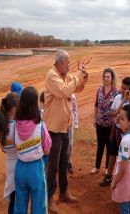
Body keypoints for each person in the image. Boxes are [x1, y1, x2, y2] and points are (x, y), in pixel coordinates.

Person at [44, 49, 88, 213]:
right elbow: (64, 91)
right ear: (61, 62)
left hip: (65, 127)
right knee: (52, 165)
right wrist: (77, 75)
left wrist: (83, 75)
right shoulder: (52, 75)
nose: (69, 65)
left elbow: (77, 88)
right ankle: (49, 199)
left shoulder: (65, 75)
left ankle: (63, 192)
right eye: (68, 62)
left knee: (64, 162)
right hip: (54, 129)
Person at [14, 86, 52, 214]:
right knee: (39, 205)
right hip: (36, 168)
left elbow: (13, 145)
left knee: (19, 206)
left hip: (19, 167)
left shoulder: (14, 125)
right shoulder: (40, 125)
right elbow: (47, 150)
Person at [100, 77, 130, 186]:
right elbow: (112, 112)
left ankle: (122, 179)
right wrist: (112, 114)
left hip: (125, 133)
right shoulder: (118, 97)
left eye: (126, 89)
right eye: (122, 87)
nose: (123, 90)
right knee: (112, 152)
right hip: (116, 129)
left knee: (123, 156)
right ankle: (109, 176)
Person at [91, 68, 120, 175]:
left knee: (109, 145)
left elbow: (119, 108)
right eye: (105, 76)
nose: (106, 78)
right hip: (99, 123)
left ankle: (108, 167)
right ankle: (97, 167)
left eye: (108, 77)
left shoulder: (117, 92)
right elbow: (96, 105)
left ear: (112, 78)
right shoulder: (99, 90)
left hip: (111, 124)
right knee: (100, 145)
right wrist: (94, 118)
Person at [0, 92, 19, 214]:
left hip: (9, 164)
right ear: (13, 109)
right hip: (20, 163)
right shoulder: (18, 125)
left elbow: (3, 148)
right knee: (20, 198)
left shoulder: (2, 125)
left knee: (12, 199)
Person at [68, 93, 78, 174]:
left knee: (70, 144)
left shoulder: (73, 96)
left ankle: (68, 162)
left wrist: (76, 123)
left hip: (70, 123)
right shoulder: (58, 93)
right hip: (60, 124)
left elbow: (75, 109)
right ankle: (59, 163)